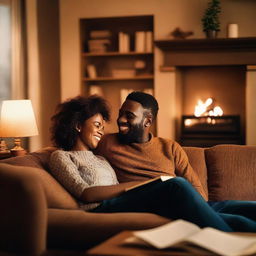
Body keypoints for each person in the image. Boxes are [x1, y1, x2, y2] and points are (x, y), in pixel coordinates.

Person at [49, 95, 253, 232]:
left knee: (245, 212)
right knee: (175, 184)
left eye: (128, 116)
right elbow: (84, 185)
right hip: (140, 201)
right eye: (120, 114)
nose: (120, 121)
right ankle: (227, 244)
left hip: (180, 200)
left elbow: (200, 195)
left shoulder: (169, 147)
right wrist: (155, 183)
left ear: (147, 121)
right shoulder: (102, 145)